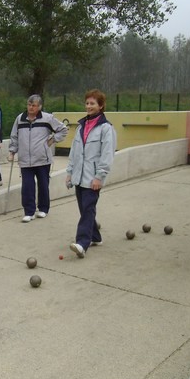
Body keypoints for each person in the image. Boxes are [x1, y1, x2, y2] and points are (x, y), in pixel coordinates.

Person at [65, 89, 116, 259]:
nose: (88, 106)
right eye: (87, 103)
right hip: (79, 177)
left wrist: (99, 177)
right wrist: (69, 172)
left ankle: (82, 243)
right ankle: (95, 236)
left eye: (92, 103)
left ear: (101, 106)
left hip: (93, 178)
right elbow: (74, 151)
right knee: (85, 209)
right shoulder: (81, 126)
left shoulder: (106, 128)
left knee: (87, 208)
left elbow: (107, 154)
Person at [8, 94, 68, 222]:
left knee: (43, 185)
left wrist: (53, 139)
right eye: (29, 105)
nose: (30, 107)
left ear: (39, 106)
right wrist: (12, 151)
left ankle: (43, 209)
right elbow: (14, 136)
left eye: (33, 105)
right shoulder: (20, 119)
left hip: (42, 159)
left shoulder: (47, 118)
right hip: (25, 160)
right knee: (27, 186)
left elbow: (63, 129)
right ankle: (29, 211)